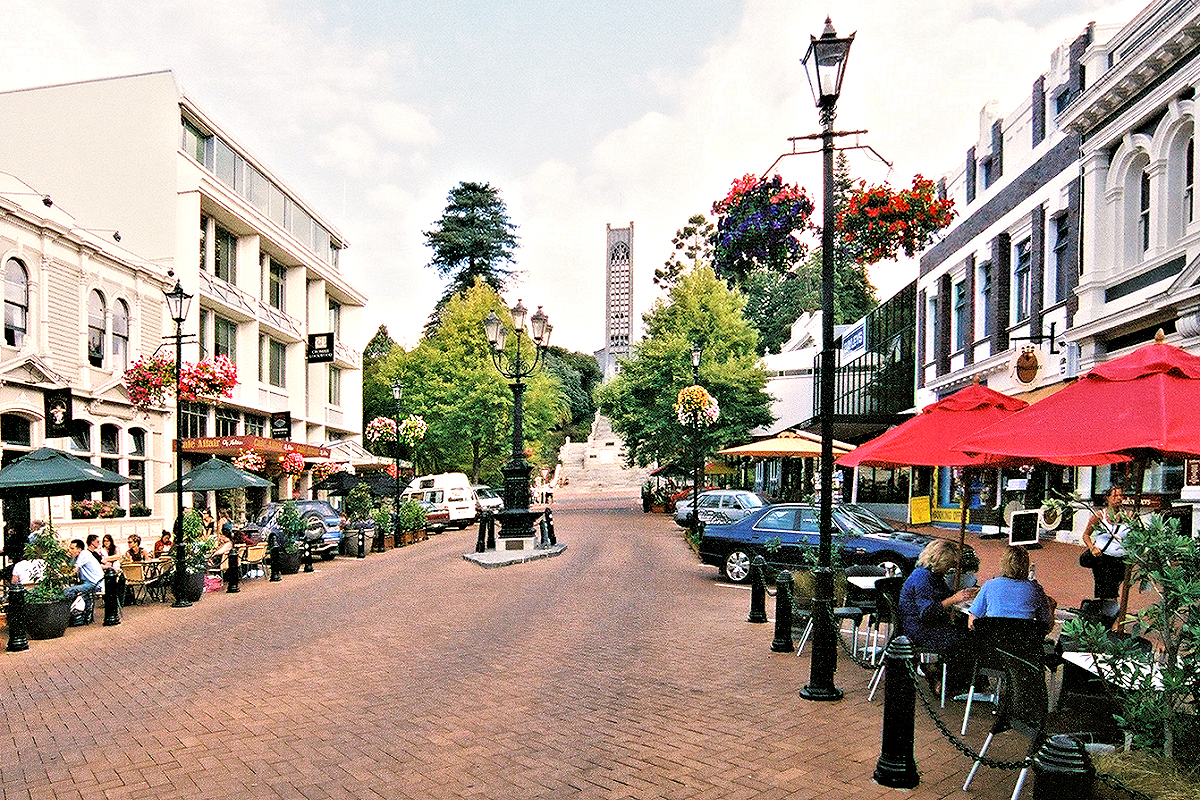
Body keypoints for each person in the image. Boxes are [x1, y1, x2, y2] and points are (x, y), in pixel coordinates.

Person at [899, 539, 978, 695]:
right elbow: (926, 612)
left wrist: (961, 596)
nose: (950, 569)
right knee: (965, 639)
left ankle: (940, 674)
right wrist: (954, 599)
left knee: (963, 633)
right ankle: (950, 682)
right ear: (941, 561)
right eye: (949, 565)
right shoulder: (924, 578)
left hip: (917, 626)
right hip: (919, 630)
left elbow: (943, 596)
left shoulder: (927, 574)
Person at [966, 546, 1054, 629]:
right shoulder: (1035, 589)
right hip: (1024, 643)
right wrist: (1051, 609)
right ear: (1026, 566)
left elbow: (972, 622)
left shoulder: (989, 586)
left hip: (993, 641)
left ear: (1003, 563)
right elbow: (1046, 626)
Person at [1081, 485, 1129, 600]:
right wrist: (1092, 548)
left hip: (1120, 560)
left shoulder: (1128, 517)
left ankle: (1110, 612)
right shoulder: (1099, 516)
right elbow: (1086, 535)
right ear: (1107, 498)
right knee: (1103, 590)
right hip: (1103, 558)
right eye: (1115, 496)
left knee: (1114, 589)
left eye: (1120, 495)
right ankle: (1103, 613)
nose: (1118, 498)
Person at [65, 538, 104, 623]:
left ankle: (69, 615)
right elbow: (68, 568)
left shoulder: (84, 554)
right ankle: (83, 616)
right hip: (87, 582)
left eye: (72, 548)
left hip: (95, 583)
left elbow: (73, 570)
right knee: (76, 590)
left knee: (69, 591)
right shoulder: (77, 557)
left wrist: (62, 576)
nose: (70, 550)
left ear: (79, 550)